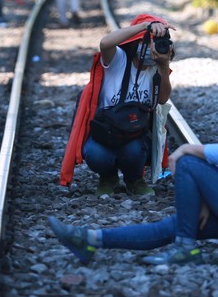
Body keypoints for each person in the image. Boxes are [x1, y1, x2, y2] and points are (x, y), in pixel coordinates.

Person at [51, 33, 218, 265]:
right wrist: (211, 200)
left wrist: (187, 150)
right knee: (176, 225)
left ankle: (186, 248)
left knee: (188, 162)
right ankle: (90, 239)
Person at [60, 14, 176, 197]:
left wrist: (163, 65)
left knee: (135, 151)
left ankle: (134, 180)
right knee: (97, 155)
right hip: (106, 130)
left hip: (135, 133)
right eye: (150, 41)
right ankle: (108, 177)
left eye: (158, 42)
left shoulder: (156, 69)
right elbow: (105, 43)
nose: (152, 48)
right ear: (137, 42)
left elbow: (162, 99)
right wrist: (144, 27)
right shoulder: (119, 60)